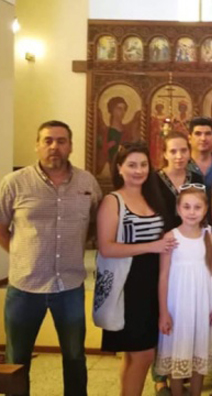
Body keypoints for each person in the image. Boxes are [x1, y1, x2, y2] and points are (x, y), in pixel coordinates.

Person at [0, 120, 102, 396]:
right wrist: (21, 252)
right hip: (25, 288)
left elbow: (96, 222)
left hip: (69, 286)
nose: (54, 146)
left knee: (74, 357)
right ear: (37, 144)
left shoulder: (87, 183)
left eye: (61, 141)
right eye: (48, 140)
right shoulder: (14, 183)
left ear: (70, 145)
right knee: (17, 359)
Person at [96, 141, 177, 396]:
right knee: (142, 354)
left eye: (143, 164)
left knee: (134, 355)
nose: (138, 170)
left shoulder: (153, 196)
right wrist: (152, 246)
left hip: (153, 281)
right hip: (128, 283)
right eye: (131, 165)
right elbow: (106, 248)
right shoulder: (113, 201)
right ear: (119, 168)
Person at [155, 185, 212, 396]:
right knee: (179, 352)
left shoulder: (209, 237)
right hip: (178, 304)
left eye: (197, 207)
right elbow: (164, 275)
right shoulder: (170, 237)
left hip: (202, 303)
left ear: (205, 210)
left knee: (198, 352)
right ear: (178, 209)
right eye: (186, 206)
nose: (192, 212)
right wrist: (164, 312)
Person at [153, 131, 205, 394]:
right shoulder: (153, 180)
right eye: (173, 151)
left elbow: (202, 210)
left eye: (183, 150)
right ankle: (161, 376)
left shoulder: (196, 179)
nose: (179, 156)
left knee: (187, 319)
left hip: (192, 246)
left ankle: (183, 375)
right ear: (164, 153)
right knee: (165, 316)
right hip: (160, 248)